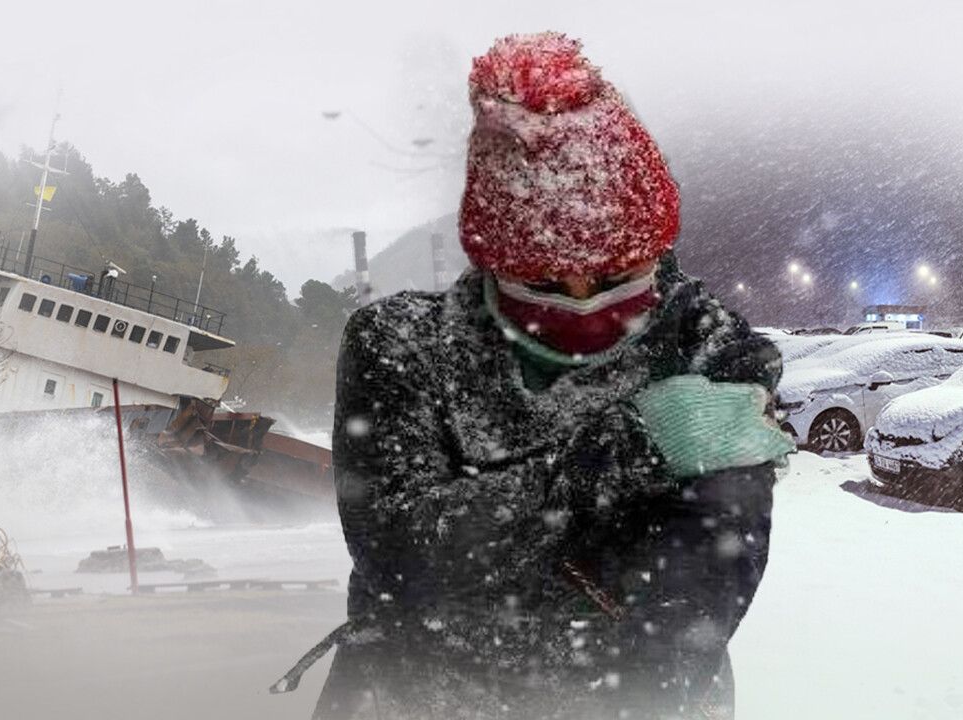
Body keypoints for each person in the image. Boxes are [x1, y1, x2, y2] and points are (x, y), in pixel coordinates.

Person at [273, 32, 792, 720]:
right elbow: (403, 559)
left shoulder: (713, 350)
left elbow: (699, 585)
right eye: (543, 280)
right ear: (495, 260)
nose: (582, 301)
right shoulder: (398, 344)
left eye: (615, 276)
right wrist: (628, 449)